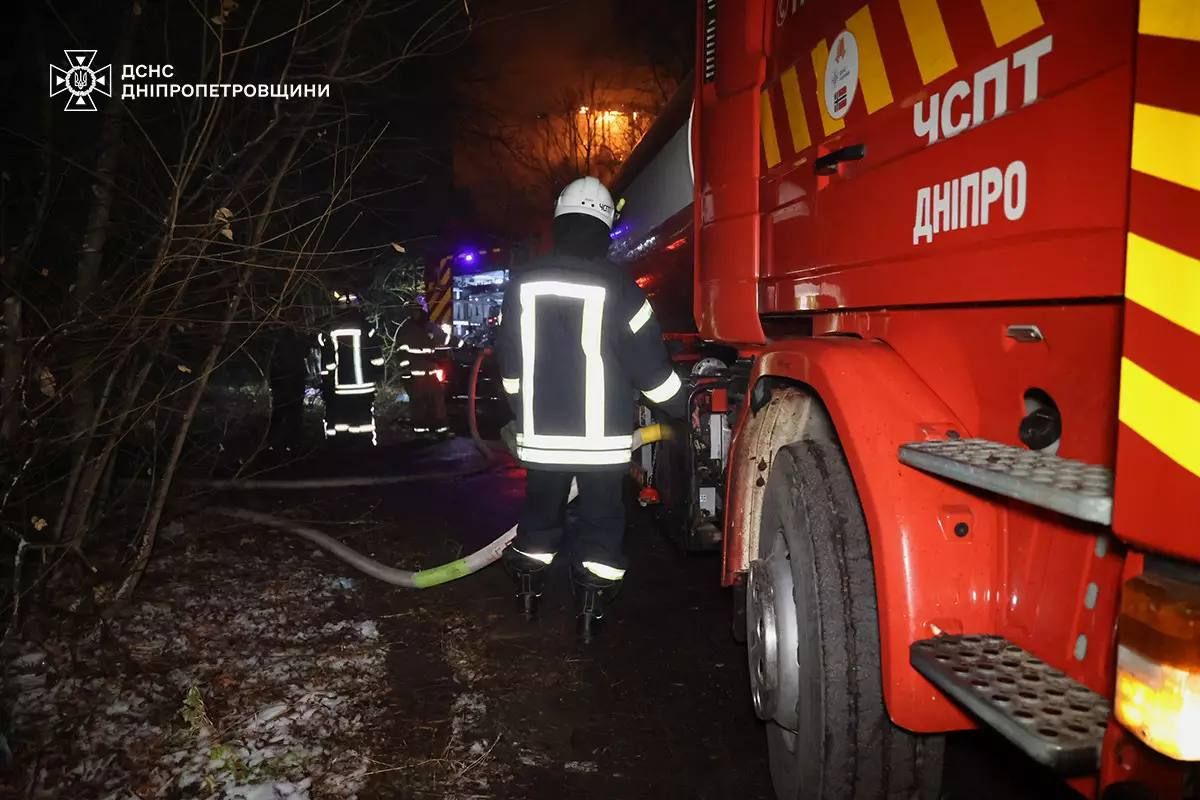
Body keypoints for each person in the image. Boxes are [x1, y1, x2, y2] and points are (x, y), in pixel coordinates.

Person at [495, 176, 685, 642]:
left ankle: (527, 595)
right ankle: (588, 611)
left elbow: (510, 363)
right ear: (604, 228)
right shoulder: (621, 288)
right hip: (603, 445)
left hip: (541, 440)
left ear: (560, 222)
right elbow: (651, 370)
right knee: (602, 524)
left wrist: (524, 409)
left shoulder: (523, 284)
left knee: (541, 515)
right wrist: (683, 407)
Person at [318, 291, 384, 445]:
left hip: (341, 386)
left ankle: (342, 444)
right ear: (357, 307)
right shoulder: (367, 329)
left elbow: (328, 360)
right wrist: (379, 374)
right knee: (363, 417)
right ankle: (365, 443)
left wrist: (327, 381)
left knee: (342, 417)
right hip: (364, 385)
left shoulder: (331, 330)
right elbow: (376, 357)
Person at [396, 307, 450, 437]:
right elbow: (402, 355)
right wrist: (406, 374)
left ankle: (438, 430)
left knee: (435, 402)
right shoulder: (408, 330)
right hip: (417, 375)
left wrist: (463, 344)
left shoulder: (426, 328)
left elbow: (444, 339)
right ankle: (422, 432)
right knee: (420, 403)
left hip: (428, 373)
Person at [267, 326, 308, 454]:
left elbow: (273, 369)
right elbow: (301, 367)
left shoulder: (279, 348)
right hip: (294, 387)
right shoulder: (296, 346)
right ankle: (294, 444)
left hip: (283, 387)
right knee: (294, 417)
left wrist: (274, 385)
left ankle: (274, 444)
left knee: (279, 416)